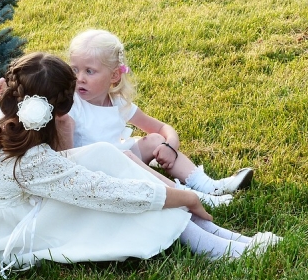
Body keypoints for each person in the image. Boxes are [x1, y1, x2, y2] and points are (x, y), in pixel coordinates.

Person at [0, 53, 281, 277]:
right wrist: (180, 197)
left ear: (8, 93)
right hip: (9, 235)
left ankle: (221, 236)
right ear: (61, 108)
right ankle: (222, 247)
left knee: (105, 156)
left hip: (6, 211)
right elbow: (110, 194)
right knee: (118, 199)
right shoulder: (32, 161)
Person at [65, 29, 254, 206]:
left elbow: (162, 128)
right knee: (127, 157)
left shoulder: (117, 103)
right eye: (74, 70)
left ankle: (209, 185)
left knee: (155, 140)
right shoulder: (72, 106)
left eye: (89, 71)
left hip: (121, 156)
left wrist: (170, 145)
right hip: (96, 172)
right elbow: (67, 154)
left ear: (114, 75)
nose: (79, 78)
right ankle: (192, 197)